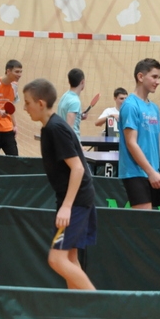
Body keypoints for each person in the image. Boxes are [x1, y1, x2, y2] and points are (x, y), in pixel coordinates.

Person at [22, 78, 97, 290]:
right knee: (70, 259)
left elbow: (78, 168)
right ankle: (80, 307)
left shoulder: (55, 129)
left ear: (40, 103)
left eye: (27, 103)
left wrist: (67, 206)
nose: (24, 108)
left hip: (76, 201)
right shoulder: (48, 128)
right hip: (76, 199)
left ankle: (101, 304)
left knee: (56, 259)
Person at [119, 58, 160, 209]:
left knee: (150, 220)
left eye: (159, 77)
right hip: (136, 173)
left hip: (153, 172)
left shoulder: (154, 108)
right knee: (143, 221)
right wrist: (150, 172)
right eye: (154, 77)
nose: (158, 82)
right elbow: (131, 143)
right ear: (140, 77)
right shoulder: (130, 106)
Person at [57, 68, 87, 139]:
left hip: (62, 138)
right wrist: (78, 144)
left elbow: (65, 116)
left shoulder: (64, 96)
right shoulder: (75, 101)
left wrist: (79, 116)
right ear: (82, 82)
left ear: (69, 81)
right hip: (70, 141)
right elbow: (69, 128)